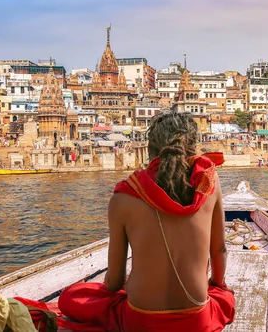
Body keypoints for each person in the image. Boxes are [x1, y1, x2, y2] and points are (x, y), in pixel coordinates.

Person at [57, 111, 235, 332]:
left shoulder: (123, 197)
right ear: (193, 148)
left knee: (70, 298)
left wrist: (126, 283)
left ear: (150, 152)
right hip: (196, 319)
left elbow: (113, 283)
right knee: (225, 297)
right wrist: (217, 286)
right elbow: (219, 250)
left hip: (140, 321)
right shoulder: (209, 184)